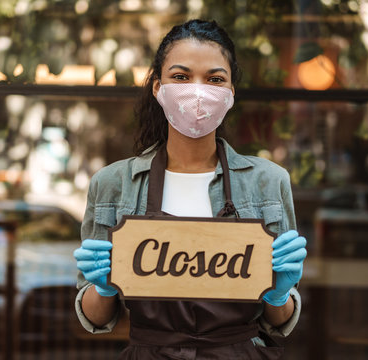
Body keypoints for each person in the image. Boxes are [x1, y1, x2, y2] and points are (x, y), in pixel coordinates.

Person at [73, 19, 307, 359]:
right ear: (157, 87)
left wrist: (278, 295)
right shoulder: (112, 185)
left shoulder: (268, 182)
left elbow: (279, 321)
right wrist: (103, 286)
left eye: (214, 79)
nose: (198, 91)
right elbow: (95, 317)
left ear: (230, 94)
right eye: (181, 77)